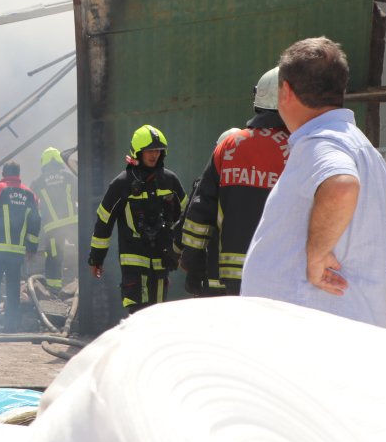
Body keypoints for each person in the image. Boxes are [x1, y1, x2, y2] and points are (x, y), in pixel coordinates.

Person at [241, 37, 386, 327]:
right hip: (334, 325)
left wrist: (317, 257)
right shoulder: (363, 149)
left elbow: (341, 185)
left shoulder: (322, 142)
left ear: (285, 91)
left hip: (311, 328)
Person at [179, 68, 290, 296]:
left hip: (232, 272)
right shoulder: (296, 148)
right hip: (279, 271)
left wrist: (191, 256)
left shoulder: (229, 145)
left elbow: (201, 207)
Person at [88, 125, 187, 313]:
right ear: (138, 152)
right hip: (134, 260)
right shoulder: (121, 183)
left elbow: (188, 216)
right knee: (137, 313)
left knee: (157, 316)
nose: (154, 155)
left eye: (158, 150)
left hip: (161, 259)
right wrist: (96, 258)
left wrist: (180, 250)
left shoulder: (170, 180)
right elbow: (104, 222)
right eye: (149, 150)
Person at [0, 160, 41, 332]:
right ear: (18, 175)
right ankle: (11, 326)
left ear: (3, 173)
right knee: (13, 290)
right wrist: (32, 247)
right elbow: (35, 223)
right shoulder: (29, 194)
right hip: (16, 252)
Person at [176, 127, 241, 297]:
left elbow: (194, 219)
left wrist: (185, 257)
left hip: (212, 276)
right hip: (244, 279)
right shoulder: (253, 187)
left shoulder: (207, 183)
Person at [30, 147, 79, 290]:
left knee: (54, 258)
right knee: (85, 252)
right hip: (73, 223)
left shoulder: (38, 182)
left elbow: (32, 206)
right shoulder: (70, 177)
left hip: (52, 227)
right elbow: (81, 195)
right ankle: (95, 280)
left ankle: (53, 291)